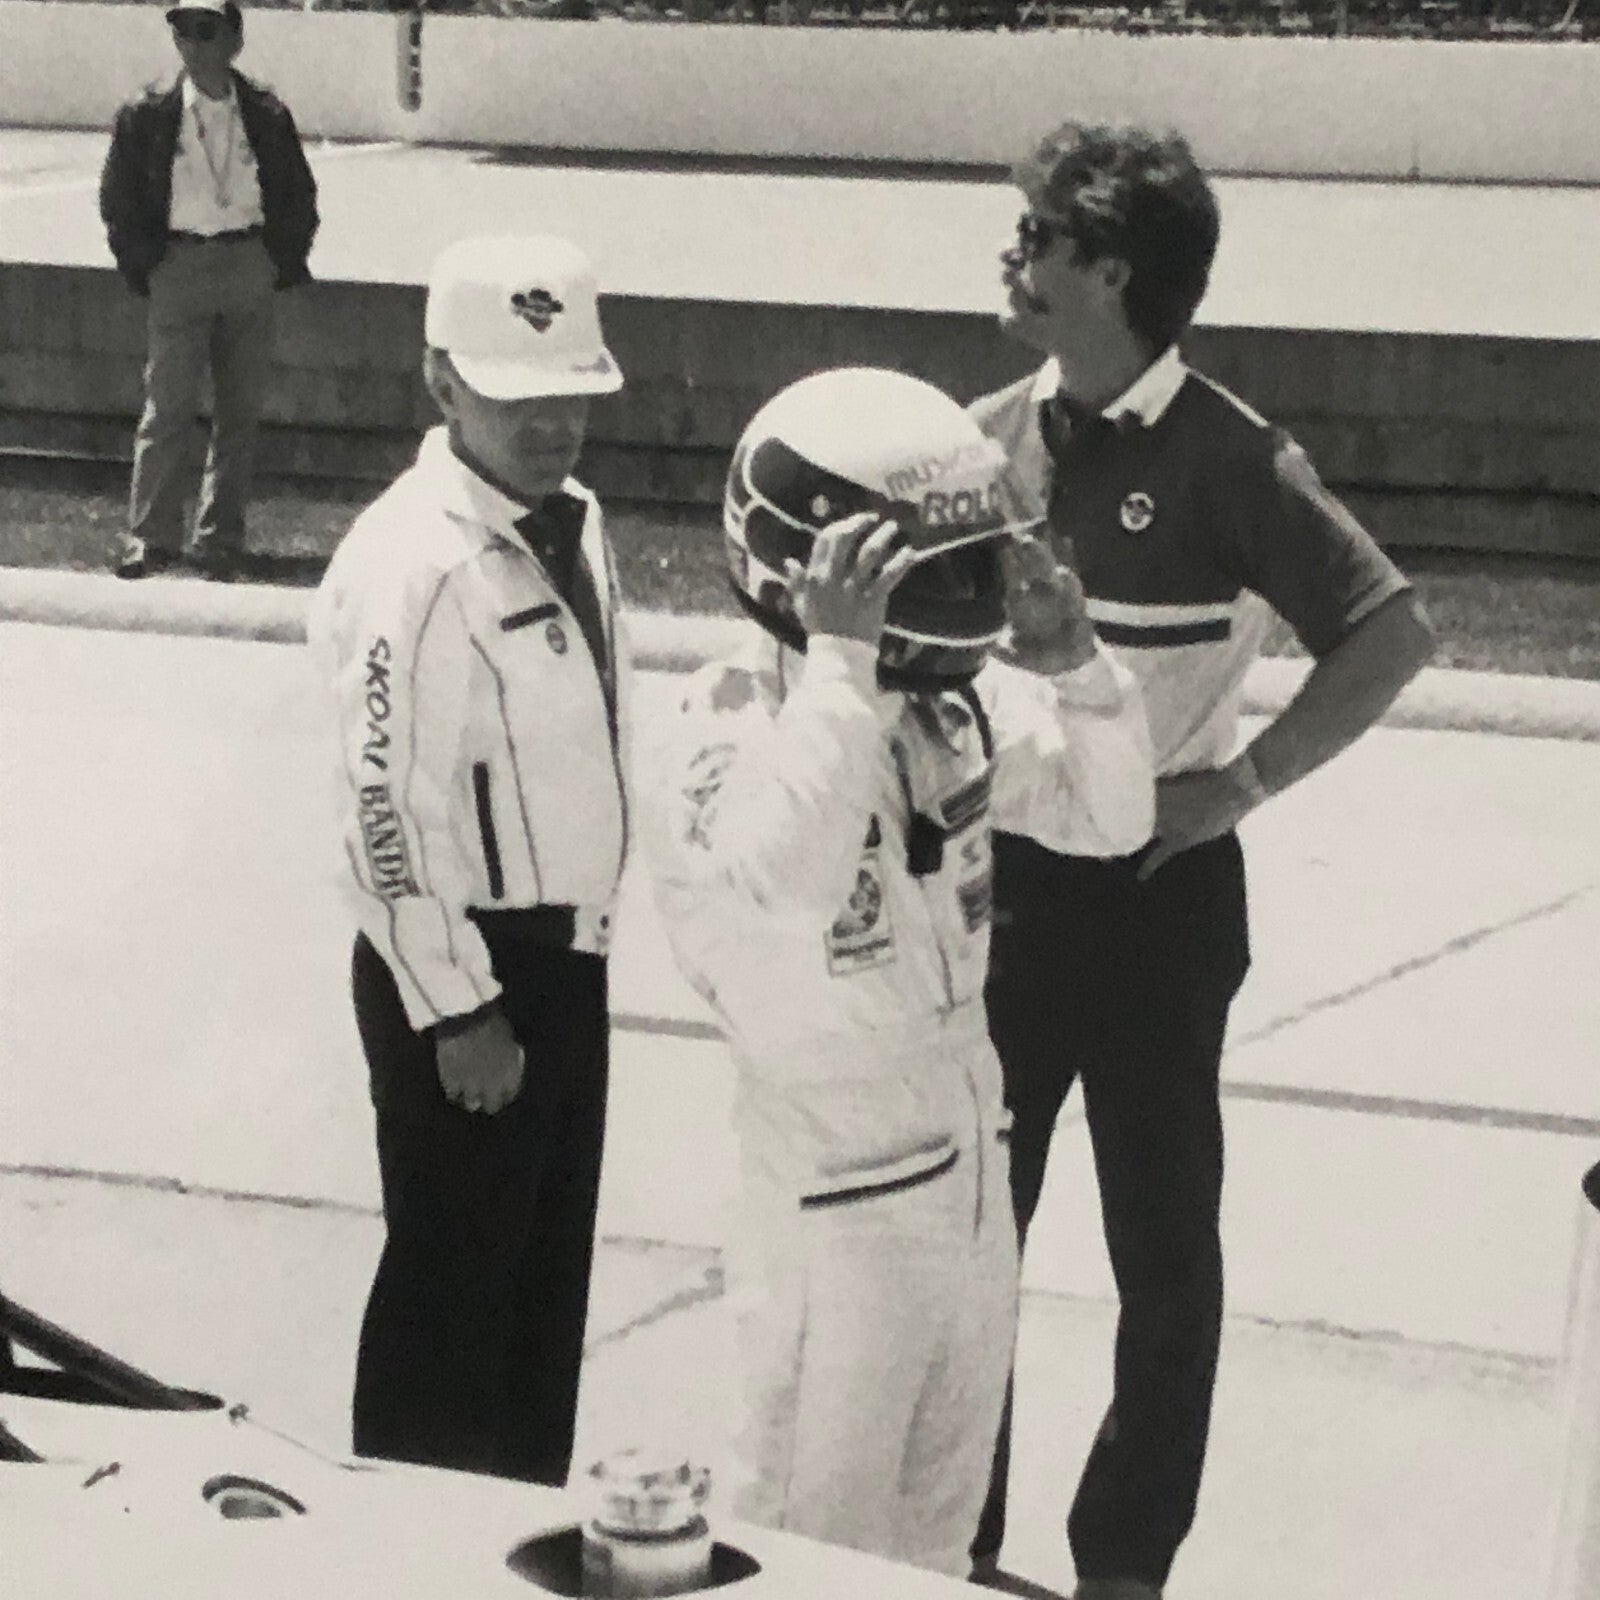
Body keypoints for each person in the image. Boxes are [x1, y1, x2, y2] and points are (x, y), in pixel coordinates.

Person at [966, 122, 1437, 1600]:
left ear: (1111, 271)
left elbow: (1392, 632)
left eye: (1039, 237)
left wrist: (1240, 783)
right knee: (971, 1237)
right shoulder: (980, 441)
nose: (1014, 258)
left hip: (1162, 907)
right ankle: (946, 1540)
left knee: (1164, 1265)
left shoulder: (1234, 458)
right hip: (1009, 899)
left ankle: (1123, 1566)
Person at [643, 367, 1154, 1577]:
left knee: (934, 1539)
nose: (970, 595)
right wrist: (839, 665)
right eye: (935, 569)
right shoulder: (720, 723)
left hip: (966, 1162)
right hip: (834, 1200)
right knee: (808, 1547)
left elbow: (1112, 814)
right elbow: (785, 878)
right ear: (816, 569)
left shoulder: (944, 707)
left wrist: (1076, 659)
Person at [306, 233, 628, 1484]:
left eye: (574, 393)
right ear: (441, 384)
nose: (553, 423)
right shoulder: (417, 561)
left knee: (539, 1306)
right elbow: (379, 808)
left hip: (566, 961)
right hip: (472, 974)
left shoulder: (567, 521)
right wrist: (458, 1006)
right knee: (450, 1312)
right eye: (517, 394)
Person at [98, 0, 318, 581]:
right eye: (181, 31)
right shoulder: (146, 112)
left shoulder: (266, 111)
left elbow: (298, 192)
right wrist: (147, 266)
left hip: (248, 262)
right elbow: (118, 199)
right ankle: (150, 537)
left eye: (205, 31)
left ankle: (221, 538)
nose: (191, 44)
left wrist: (278, 262)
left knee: (239, 410)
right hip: (180, 262)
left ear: (234, 41)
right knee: (167, 406)